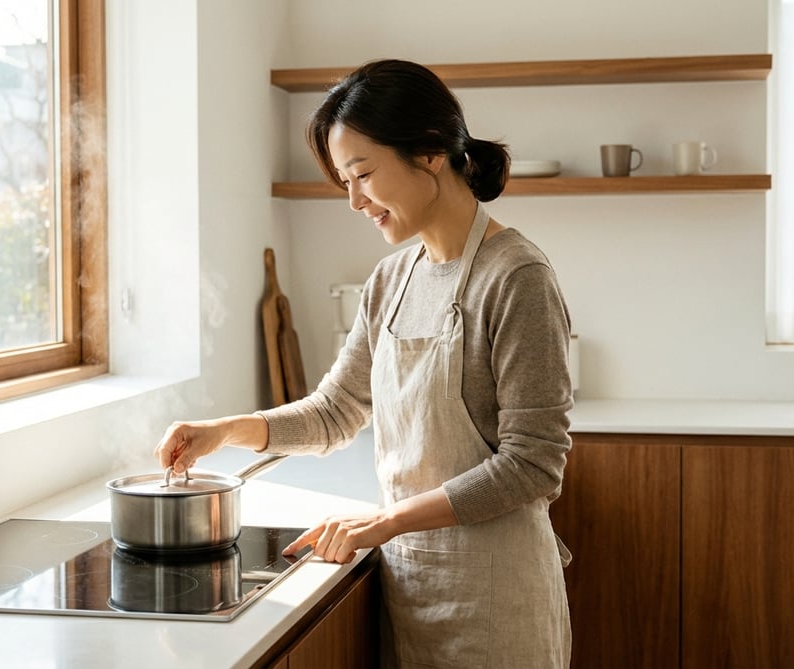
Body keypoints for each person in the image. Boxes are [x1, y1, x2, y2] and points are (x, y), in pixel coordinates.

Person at [155, 58, 573, 668]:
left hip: (497, 594)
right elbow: (336, 410)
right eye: (343, 182)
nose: (353, 201)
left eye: (362, 174)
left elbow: (534, 465)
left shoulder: (516, 277)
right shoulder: (390, 281)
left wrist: (385, 522)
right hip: (412, 583)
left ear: (430, 152)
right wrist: (227, 431)